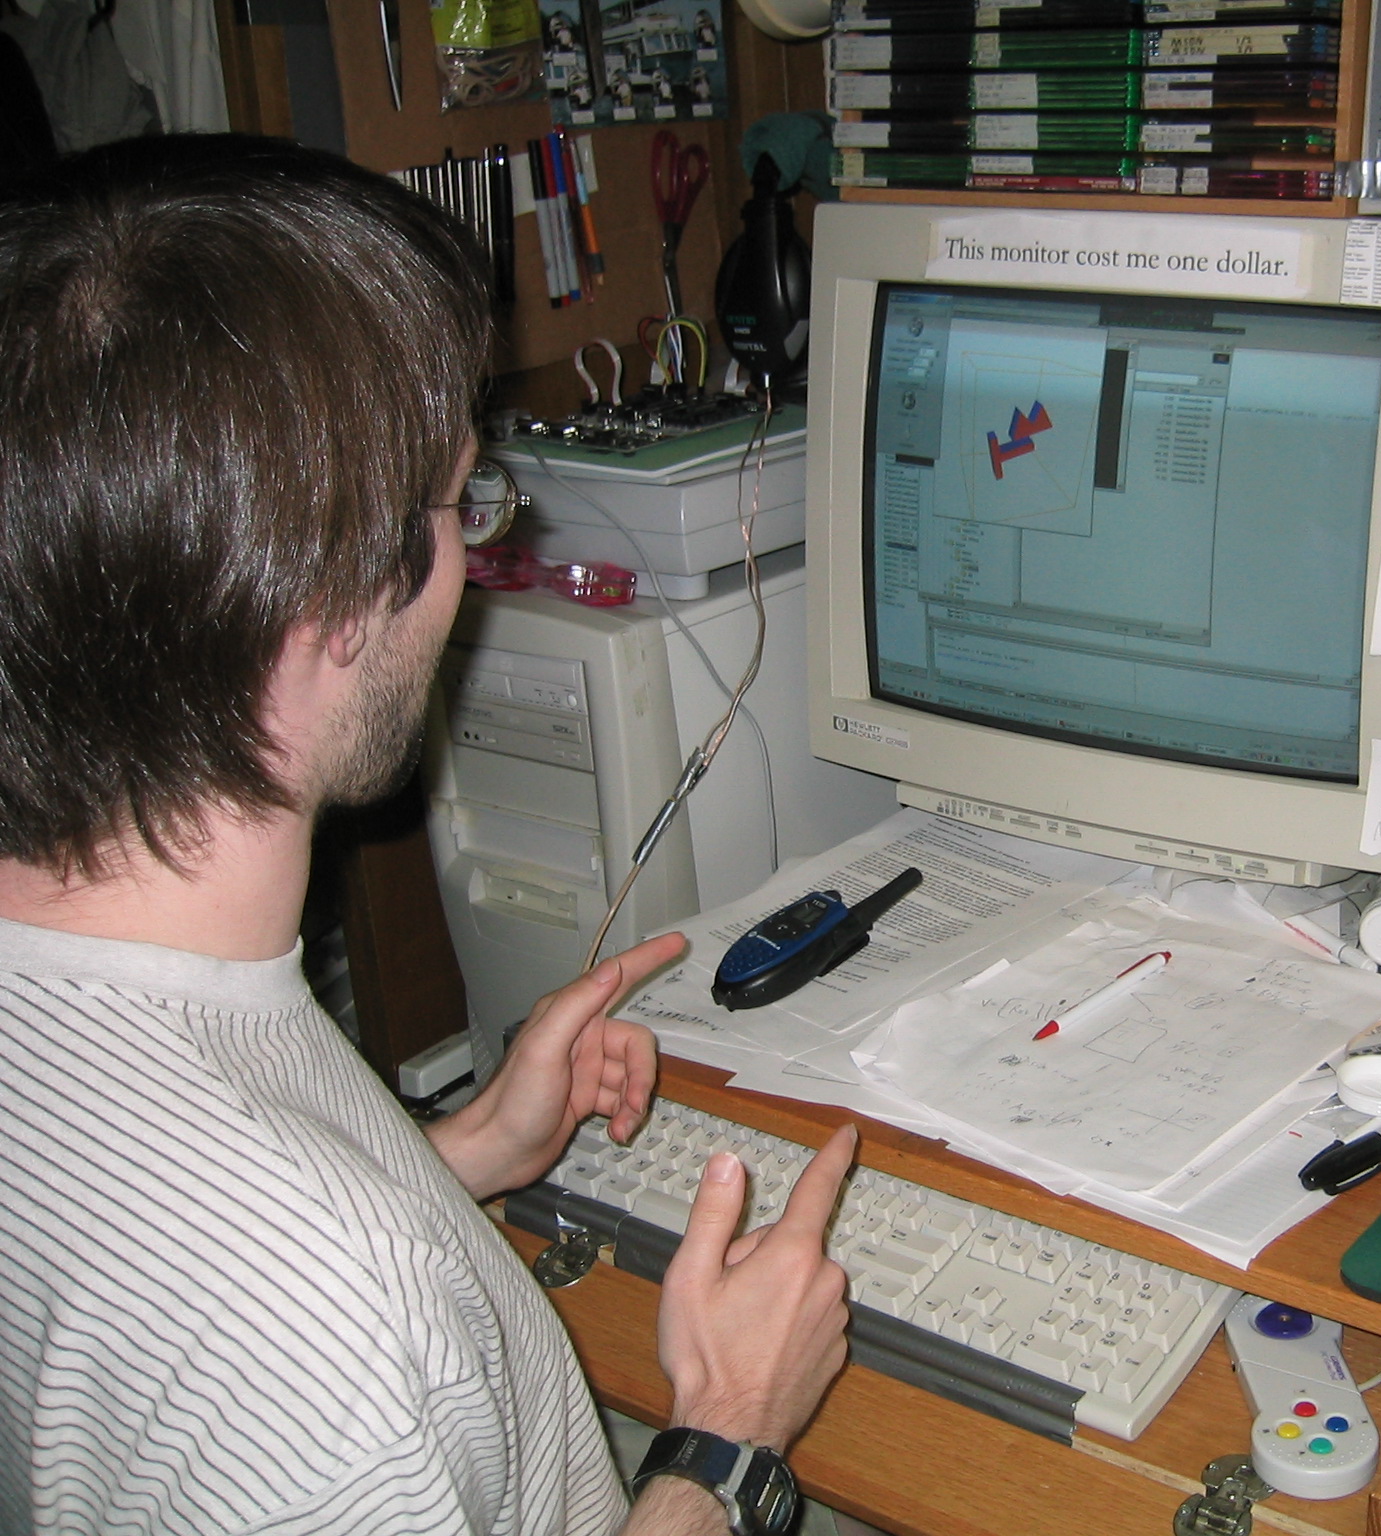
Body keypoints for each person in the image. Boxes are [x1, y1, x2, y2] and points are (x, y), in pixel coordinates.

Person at [0, 134, 851, 1535]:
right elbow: (286, 1335)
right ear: (335, 597)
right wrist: (728, 1437)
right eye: (464, 500)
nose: (473, 555)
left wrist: (454, 1157)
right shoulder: (328, 1330)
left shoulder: (100, 1002)